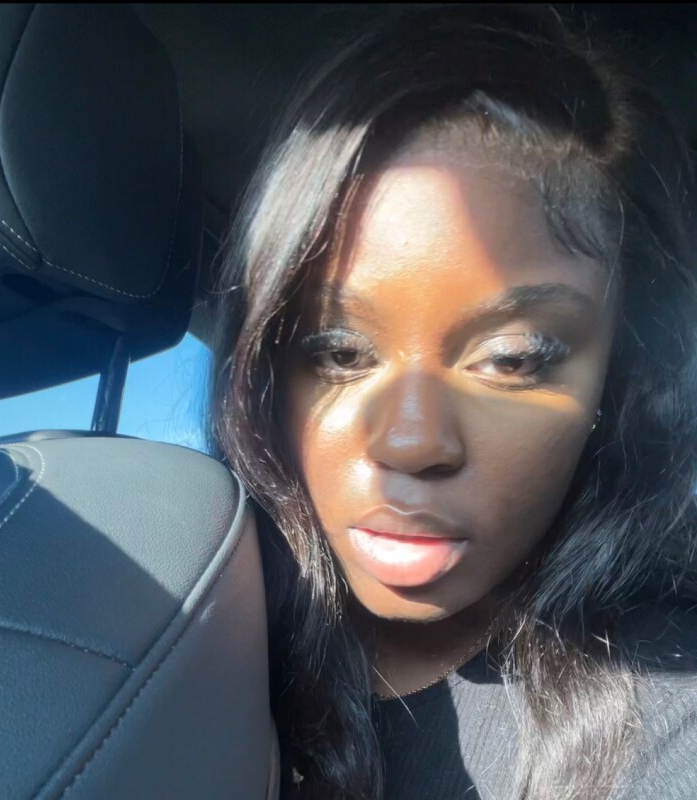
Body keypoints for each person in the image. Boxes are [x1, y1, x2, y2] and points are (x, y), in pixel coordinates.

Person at [210, 5, 697, 799]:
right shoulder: (161, 643)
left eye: (512, 359)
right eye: (338, 351)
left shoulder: (671, 713)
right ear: (264, 376)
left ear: (618, 384)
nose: (410, 442)